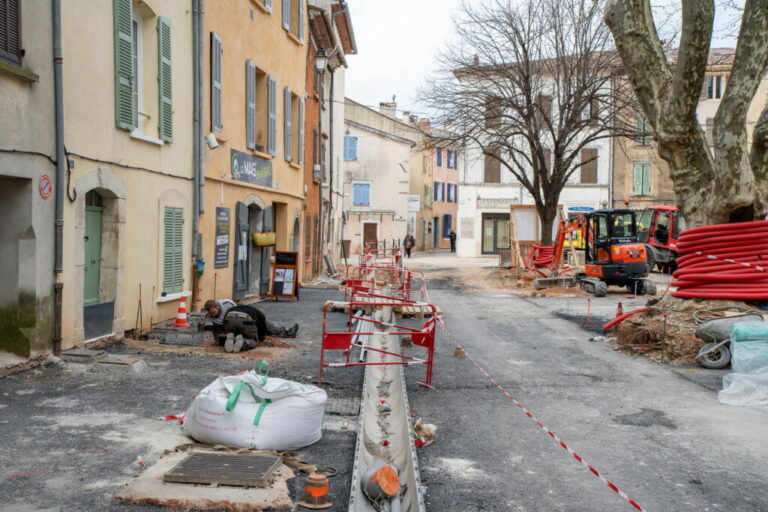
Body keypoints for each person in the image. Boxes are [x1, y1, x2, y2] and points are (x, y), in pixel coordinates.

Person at [202, 299, 299, 353]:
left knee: (265, 325)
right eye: (211, 314)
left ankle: (233, 339)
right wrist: (260, 338)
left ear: (217, 306)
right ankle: (244, 342)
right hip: (241, 322)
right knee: (258, 334)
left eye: (214, 312)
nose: (213, 315)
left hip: (230, 326)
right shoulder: (258, 315)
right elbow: (208, 330)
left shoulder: (227, 303)